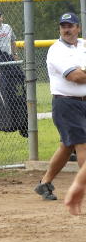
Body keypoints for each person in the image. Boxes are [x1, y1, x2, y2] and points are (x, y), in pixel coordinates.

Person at [38, 12, 86, 212]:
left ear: (78, 28)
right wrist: (81, 72)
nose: (67, 29)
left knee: (67, 147)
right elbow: (75, 77)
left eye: (70, 25)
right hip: (67, 104)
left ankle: (45, 183)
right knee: (82, 144)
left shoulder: (83, 45)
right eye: (63, 26)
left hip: (83, 102)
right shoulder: (56, 50)